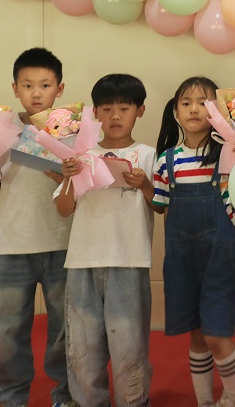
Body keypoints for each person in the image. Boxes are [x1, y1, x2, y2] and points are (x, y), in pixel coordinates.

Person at [0, 48, 76, 407]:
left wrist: (67, 172)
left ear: (60, 88)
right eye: (28, 85)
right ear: (15, 88)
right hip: (11, 246)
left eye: (45, 85)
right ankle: (11, 397)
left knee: (65, 330)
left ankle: (66, 395)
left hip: (63, 243)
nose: (36, 92)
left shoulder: (70, 128)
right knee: (9, 331)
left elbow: (83, 185)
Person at [152, 77, 235, 407]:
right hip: (183, 257)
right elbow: (163, 210)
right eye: (186, 103)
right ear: (175, 111)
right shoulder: (166, 160)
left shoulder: (230, 154)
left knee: (216, 334)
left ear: (219, 110)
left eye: (203, 102)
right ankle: (204, 402)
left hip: (223, 253)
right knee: (197, 336)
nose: (194, 109)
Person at [53, 74, 156, 407]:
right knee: (83, 347)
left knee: (129, 345)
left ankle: (133, 402)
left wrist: (144, 185)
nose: (115, 116)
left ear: (140, 110)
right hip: (82, 262)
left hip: (130, 261)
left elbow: (161, 205)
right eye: (107, 108)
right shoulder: (81, 155)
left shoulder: (148, 154)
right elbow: (64, 209)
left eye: (124, 108)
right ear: (94, 112)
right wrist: (69, 178)